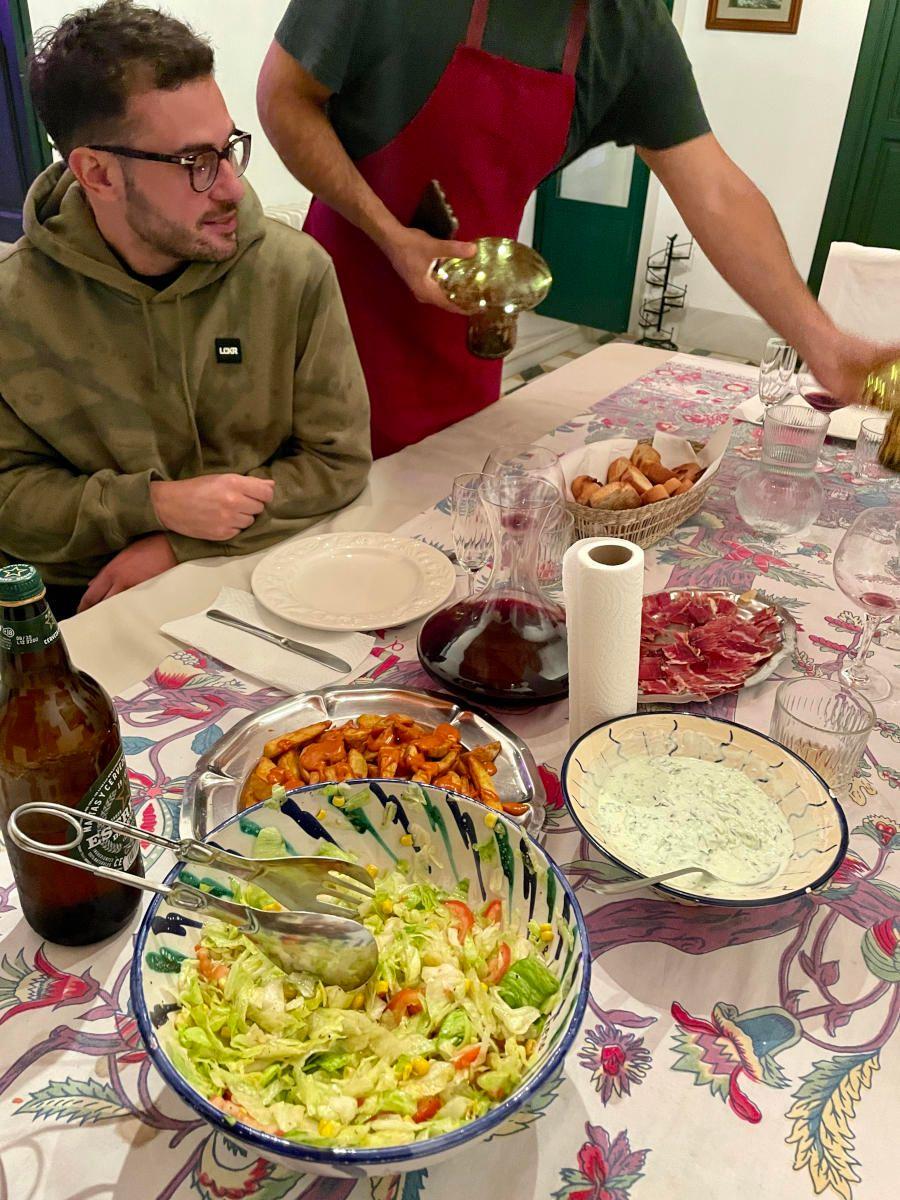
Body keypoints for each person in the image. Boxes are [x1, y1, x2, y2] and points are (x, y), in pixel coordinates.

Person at [258, 0, 897, 459]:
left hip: (466, 337)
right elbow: (283, 96)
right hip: (331, 318)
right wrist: (392, 237)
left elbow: (717, 192)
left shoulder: (629, 27)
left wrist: (823, 343)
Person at [0, 1, 371, 619]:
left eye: (228, 148)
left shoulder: (291, 271)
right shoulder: (14, 307)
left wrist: (176, 542)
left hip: (268, 572)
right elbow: (8, 500)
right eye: (194, 162)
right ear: (97, 173)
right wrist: (155, 504)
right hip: (85, 601)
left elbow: (337, 461)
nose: (230, 185)